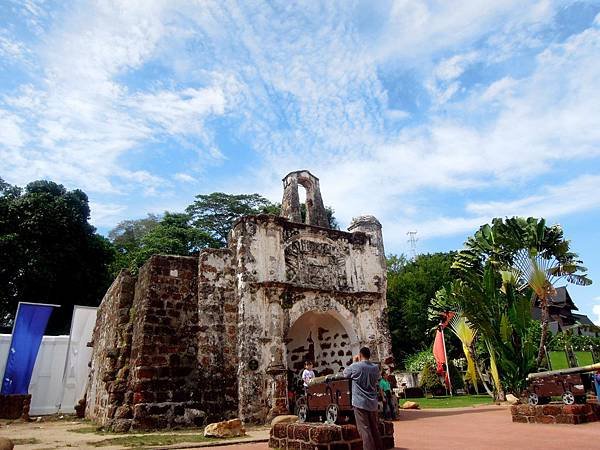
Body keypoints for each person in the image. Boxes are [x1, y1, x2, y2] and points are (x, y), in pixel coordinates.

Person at [343, 347, 384, 450]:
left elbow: (345, 374)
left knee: (364, 429)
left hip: (359, 402)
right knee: (374, 428)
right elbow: (378, 379)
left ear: (360, 355)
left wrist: (354, 361)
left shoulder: (355, 366)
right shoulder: (375, 367)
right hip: (372, 402)